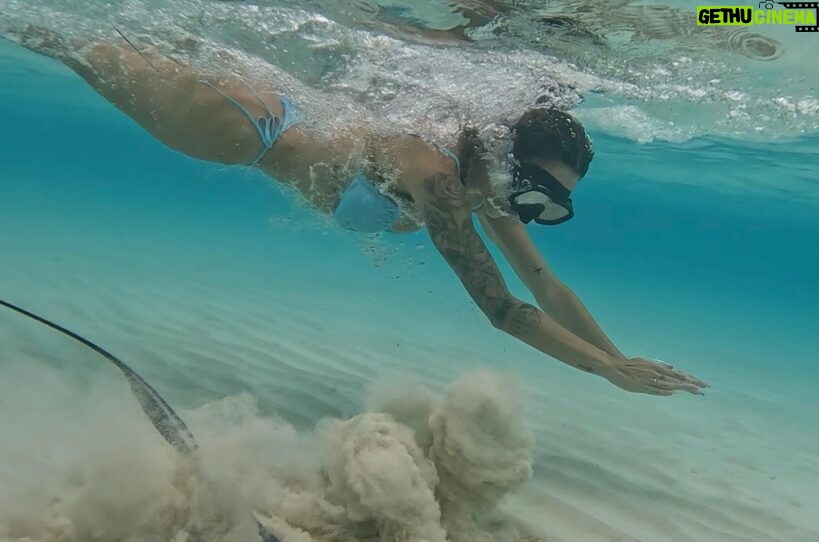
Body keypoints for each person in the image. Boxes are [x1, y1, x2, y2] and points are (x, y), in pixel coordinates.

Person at [14, 29, 706, 397]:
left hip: (261, 118)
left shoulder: (484, 187)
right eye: (530, 185)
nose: (527, 206)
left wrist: (622, 360)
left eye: (547, 204)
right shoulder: (439, 178)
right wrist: (607, 373)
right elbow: (501, 309)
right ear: (501, 150)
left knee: (69, 43)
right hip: (234, 127)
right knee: (63, 39)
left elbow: (545, 285)